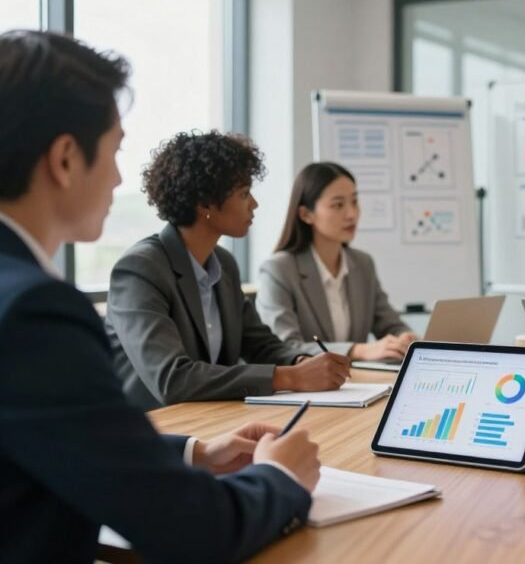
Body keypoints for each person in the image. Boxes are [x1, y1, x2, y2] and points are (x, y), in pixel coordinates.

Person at [0, 29, 320, 563]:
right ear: (64, 159)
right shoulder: (34, 313)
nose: (120, 175)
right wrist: (281, 478)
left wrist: (193, 450)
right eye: (115, 150)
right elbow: (195, 530)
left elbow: (49, 435)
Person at [105, 131, 350, 411]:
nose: (254, 204)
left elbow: (260, 344)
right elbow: (172, 379)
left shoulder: (223, 264)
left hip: (212, 424)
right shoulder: (140, 270)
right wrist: (291, 377)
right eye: (244, 193)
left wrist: (300, 362)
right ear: (205, 204)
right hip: (152, 434)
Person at [257, 162, 417, 361]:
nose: (351, 214)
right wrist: (357, 350)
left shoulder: (363, 264)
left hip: (358, 384)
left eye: (354, 202)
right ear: (306, 214)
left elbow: (389, 324)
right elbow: (285, 347)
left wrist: (404, 338)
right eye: (338, 205)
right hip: (306, 388)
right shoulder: (279, 270)